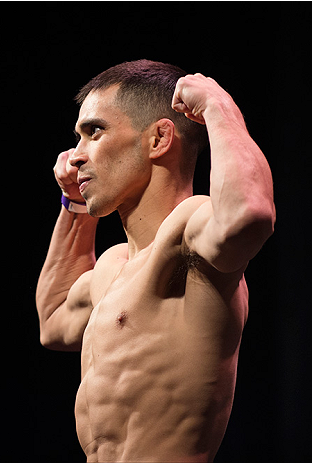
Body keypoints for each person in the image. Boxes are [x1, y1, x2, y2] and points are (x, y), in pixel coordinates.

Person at [35, 60, 275, 462]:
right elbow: (53, 320)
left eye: (94, 131)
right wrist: (73, 204)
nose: (74, 156)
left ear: (159, 138)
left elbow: (248, 214)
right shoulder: (111, 267)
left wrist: (219, 106)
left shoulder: (188, 232)